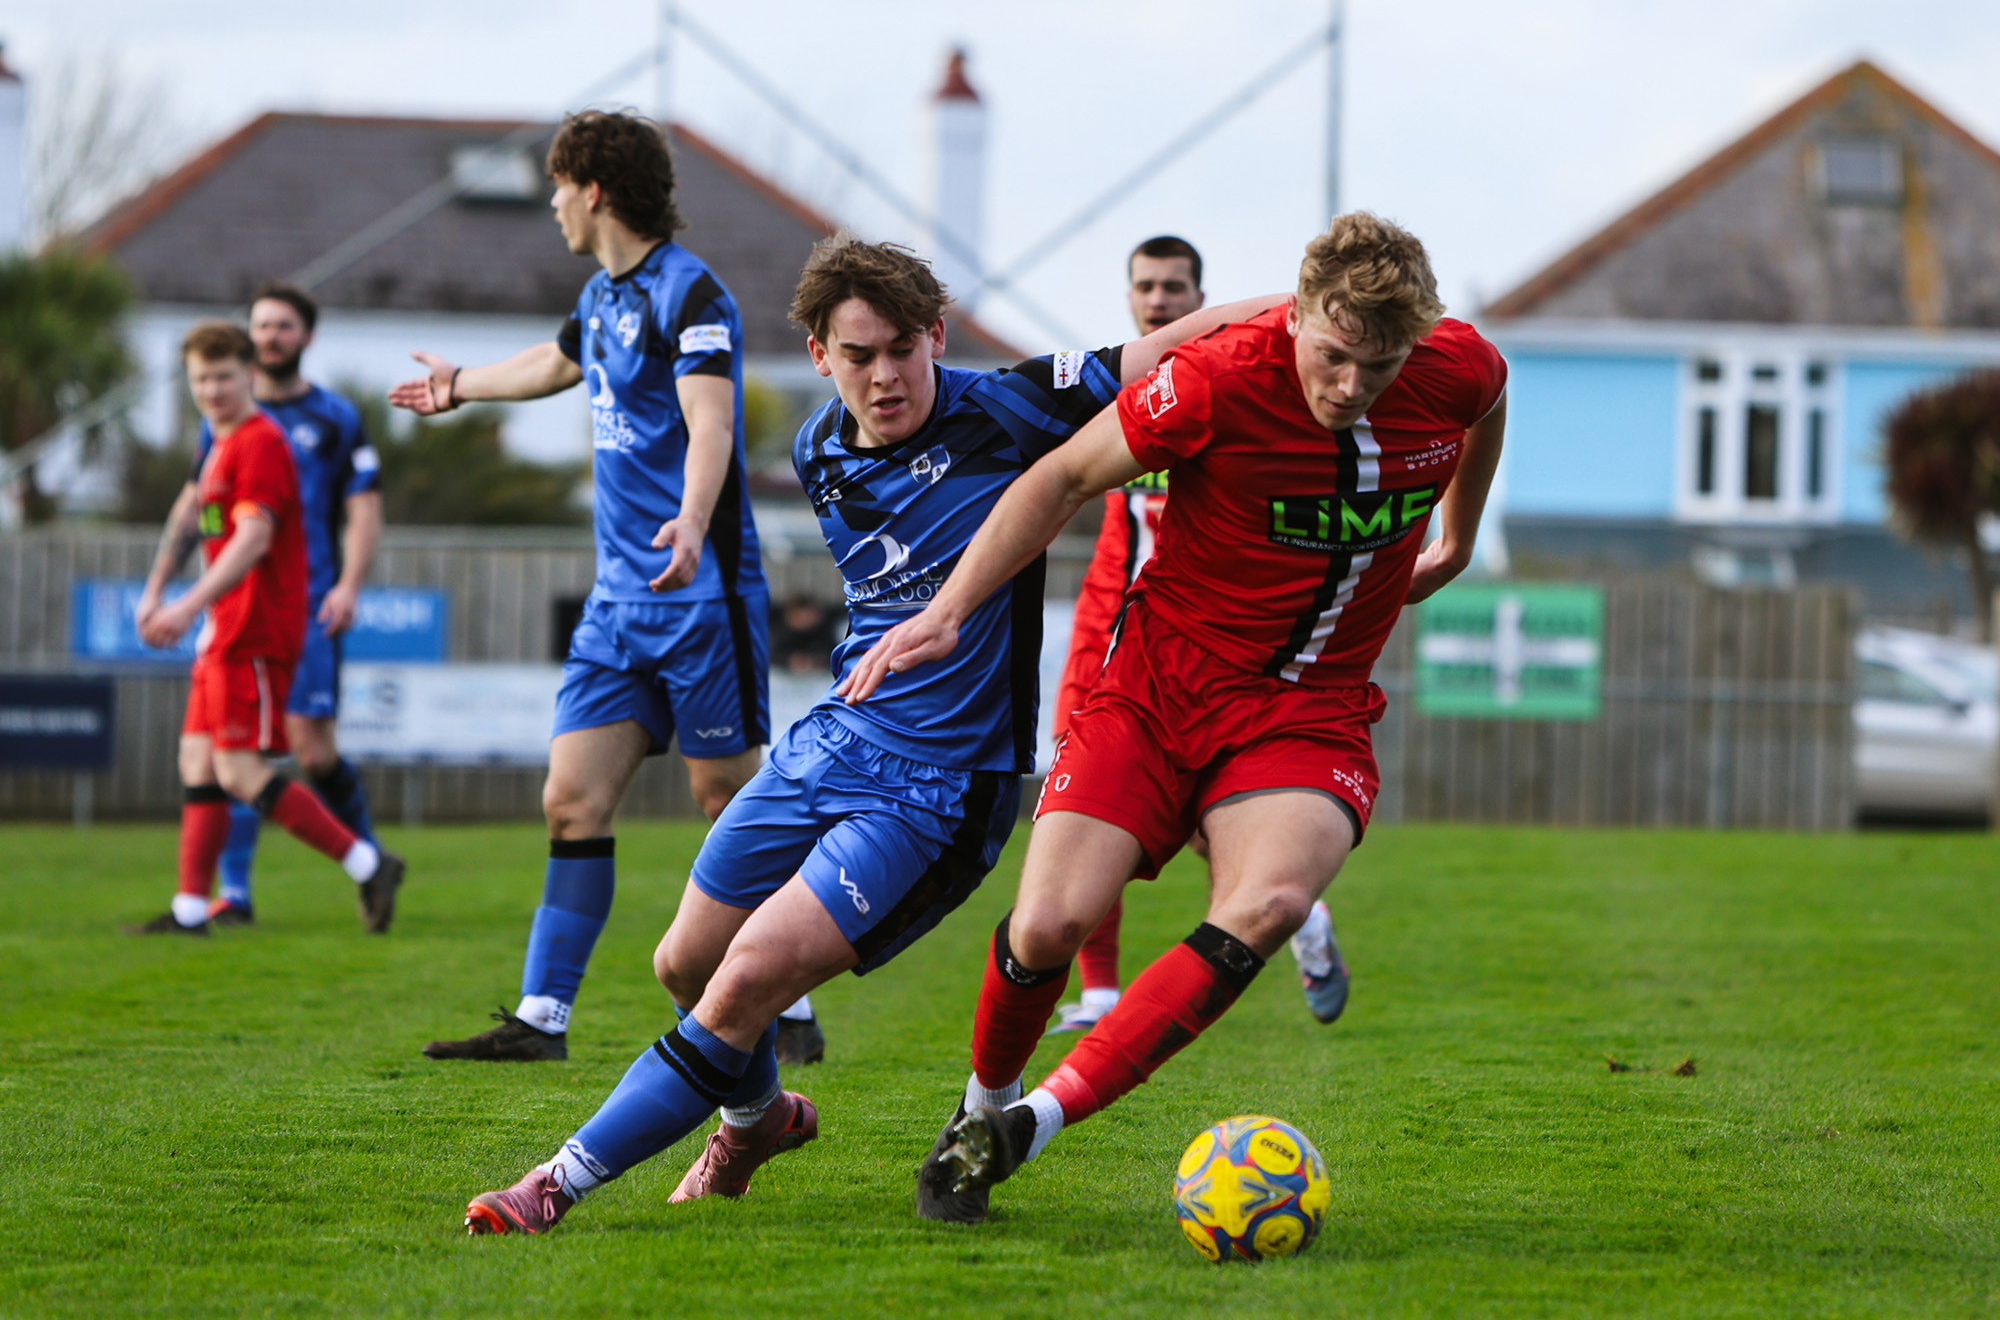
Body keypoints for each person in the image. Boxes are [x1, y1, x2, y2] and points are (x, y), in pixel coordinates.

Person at [458, 234, 1278, 1235]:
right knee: (684, 962)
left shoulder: (1007, 406)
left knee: (748, 977)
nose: (884, 376)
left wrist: (1312, 305)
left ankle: (552, 1183)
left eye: (902, 348)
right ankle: (757, 1120)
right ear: (819, 357)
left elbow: (1169, 344)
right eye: (857, 355)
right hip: (833, 742)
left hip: (937, 784)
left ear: (936, 336)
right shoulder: (817, 448)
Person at [842, 211, 1507, 1223]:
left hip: (1310, 711)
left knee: (1269, 901)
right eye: (1330, 356)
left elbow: (1489, 394)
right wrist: (944, 613)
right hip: (1158, 689)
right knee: (1049, 922)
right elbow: (1059, 476)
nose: (1346, 387)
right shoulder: (1215, 376)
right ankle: (977, 1105)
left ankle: (1030, 1124)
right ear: (1295, 318)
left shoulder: (1452, 366)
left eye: (1375, 369)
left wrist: (1454, 537)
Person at [388, 110, 825, 1064]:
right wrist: (461, 385)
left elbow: (711, 426)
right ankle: (542, 1018)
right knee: (571, 800)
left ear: (593, 189)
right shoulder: (598, 298)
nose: (549, 203)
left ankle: (786, 995)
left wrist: (692, 520)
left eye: (556, 185)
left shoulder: (692, 293)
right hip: (616, 607)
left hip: (700, 593)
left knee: (728, 799)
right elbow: (553, 362)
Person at [1049, 235, 1351, 1034]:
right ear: (1129, 297)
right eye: (1145, 285)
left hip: (1193, 639)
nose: (1158, 299)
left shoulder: (1227, 382)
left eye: (1173, 286)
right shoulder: (1118, 384)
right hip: (1104, 620)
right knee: (1081, 799)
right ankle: (1102, 991)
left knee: (1197, 814)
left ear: (1200, 295)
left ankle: (1301, 917)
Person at [128, 322, 404, 936]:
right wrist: (155, 591)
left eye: (224, 375)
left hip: (253, 628)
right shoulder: (220, 443)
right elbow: (189, 518)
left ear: (248, 374)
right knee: (197, 762)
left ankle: (368, 862)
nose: (212, 388)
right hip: (223, 628)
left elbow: (253, 538)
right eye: (201, 378)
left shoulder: (260, 443)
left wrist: (184, 606)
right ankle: (190, 911)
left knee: (238, 771)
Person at [187, 283, 384, 927]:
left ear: (306, 337)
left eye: (284, 326)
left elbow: (362, 506)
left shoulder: (331, 418)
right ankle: (230, 895)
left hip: (306, 605)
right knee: (226, 752)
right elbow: (202, 511)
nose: (271, 336)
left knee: (311, 752)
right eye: (262, 325)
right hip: (236, 613)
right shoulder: (220, 424)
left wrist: (349, 583)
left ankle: (370, 864)